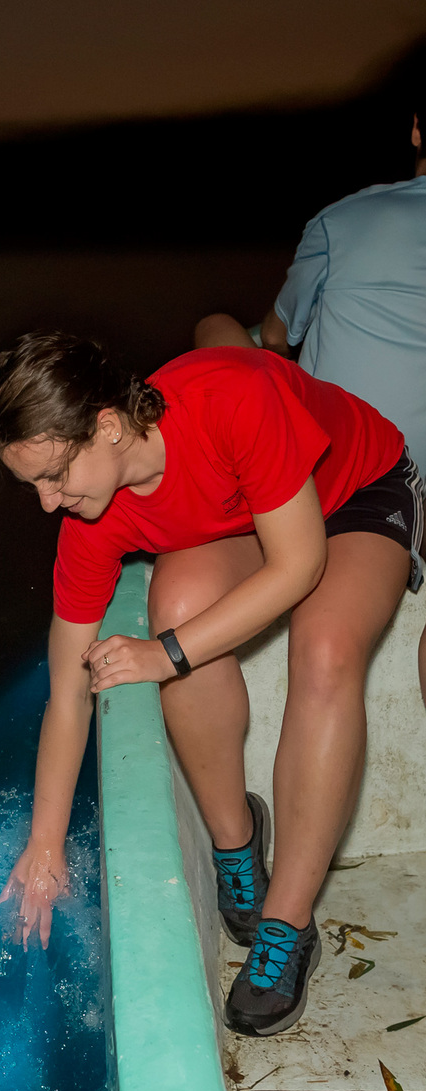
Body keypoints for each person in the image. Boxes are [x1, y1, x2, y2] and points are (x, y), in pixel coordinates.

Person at [0, 331, 424, 1037]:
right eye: (31, 483)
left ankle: (287, 923)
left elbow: (299, 566)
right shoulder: (91, 521)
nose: (45, 502)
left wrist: (164, 656)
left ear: (107, 424)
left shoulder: (230, 396)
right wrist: (44, 845)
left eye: (55, 475)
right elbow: (69, 689)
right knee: (177, 605)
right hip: (256, 514)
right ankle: (234, 840)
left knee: (326, 648)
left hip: (356, 497)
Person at [198, 101, 426, 706]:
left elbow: (276, 336)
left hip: (352, 472)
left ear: (416, 129)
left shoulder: (344, 220)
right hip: (386, 480)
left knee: (222, 332)